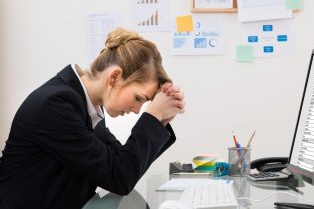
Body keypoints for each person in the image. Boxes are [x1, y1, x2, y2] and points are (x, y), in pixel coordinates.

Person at [0, 28, 185, 209]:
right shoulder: (55, 105)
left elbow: (122, 165)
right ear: (114, 77)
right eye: (138, 98)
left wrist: (160, 121)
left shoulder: (85, 106)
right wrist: (153, 116)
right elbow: (120, 177)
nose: (137, 110)